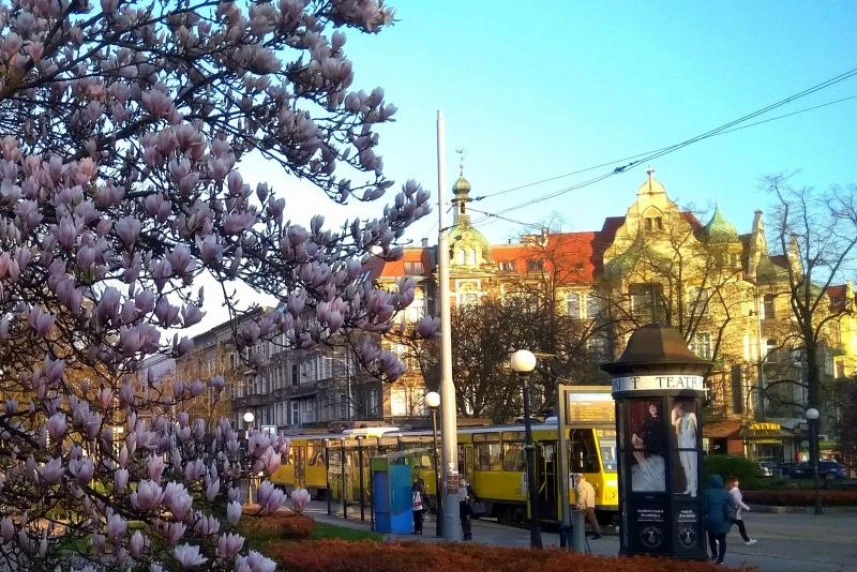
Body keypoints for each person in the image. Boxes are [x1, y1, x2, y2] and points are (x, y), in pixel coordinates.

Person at [630, 402, 666, 492]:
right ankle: (645, 468)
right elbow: (639, 430)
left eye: (654, 407)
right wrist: (635, 434)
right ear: (649, 410)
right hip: (648, 443)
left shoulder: (662, 420)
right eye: (651, 408)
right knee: (635, 448)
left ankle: (648, 472)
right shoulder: (648, 420)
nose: (652, 409)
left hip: (657, 446)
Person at [704, 474, 737, 564]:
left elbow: (704, 507)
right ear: (721, 482)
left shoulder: (706, 493)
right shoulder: (726, 494)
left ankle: (714, 554)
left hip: (710, 520)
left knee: (711, 537)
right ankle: (721, 559)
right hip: (723, 520)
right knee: (722, 539)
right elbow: (733, 505)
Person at [672, 402, 699, 496]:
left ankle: (694, 488)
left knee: (693, 467)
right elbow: (672, 422)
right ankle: (689, 487)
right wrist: (673, 412)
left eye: (679, 410)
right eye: (677, 412)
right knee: (686, 467)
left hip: (691, 445)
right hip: (682, 446)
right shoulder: (678, 420)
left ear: (682, 409)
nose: (678, 413)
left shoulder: (691, 416)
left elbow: (697, 428)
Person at [727, 477, 757, 546]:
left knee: (731, 525)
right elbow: (738, 501)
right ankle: (747, 540)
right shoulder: (735, 490)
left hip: (734, 511)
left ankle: (747, 540)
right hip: (734, 511)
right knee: (738, 525)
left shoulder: (733, 490)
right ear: (734, 483)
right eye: (736, 481)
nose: (738, 482)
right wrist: (747, 508)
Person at [574, 473, 602, 539]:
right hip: (590, 504)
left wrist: (578, 504)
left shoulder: (579, 485)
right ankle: (597, 533)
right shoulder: (588, 484)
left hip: (584, 505)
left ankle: (580, 534)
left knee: (579, 519)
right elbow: (594, 493)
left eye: (576, 477)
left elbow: (582, 495)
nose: (575, 478)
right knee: (592, 518)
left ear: (579, 477)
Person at [458, 476, 474, 540]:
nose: (461, 482)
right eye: (459, 481)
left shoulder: (467, 487)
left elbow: (473, 495)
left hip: (466, 503)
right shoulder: (457, 488)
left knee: (467, 519)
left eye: (462, 481)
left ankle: (469, 533)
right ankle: (465, 534)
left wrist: (469, 498)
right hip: (460, 504)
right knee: (463, 520)